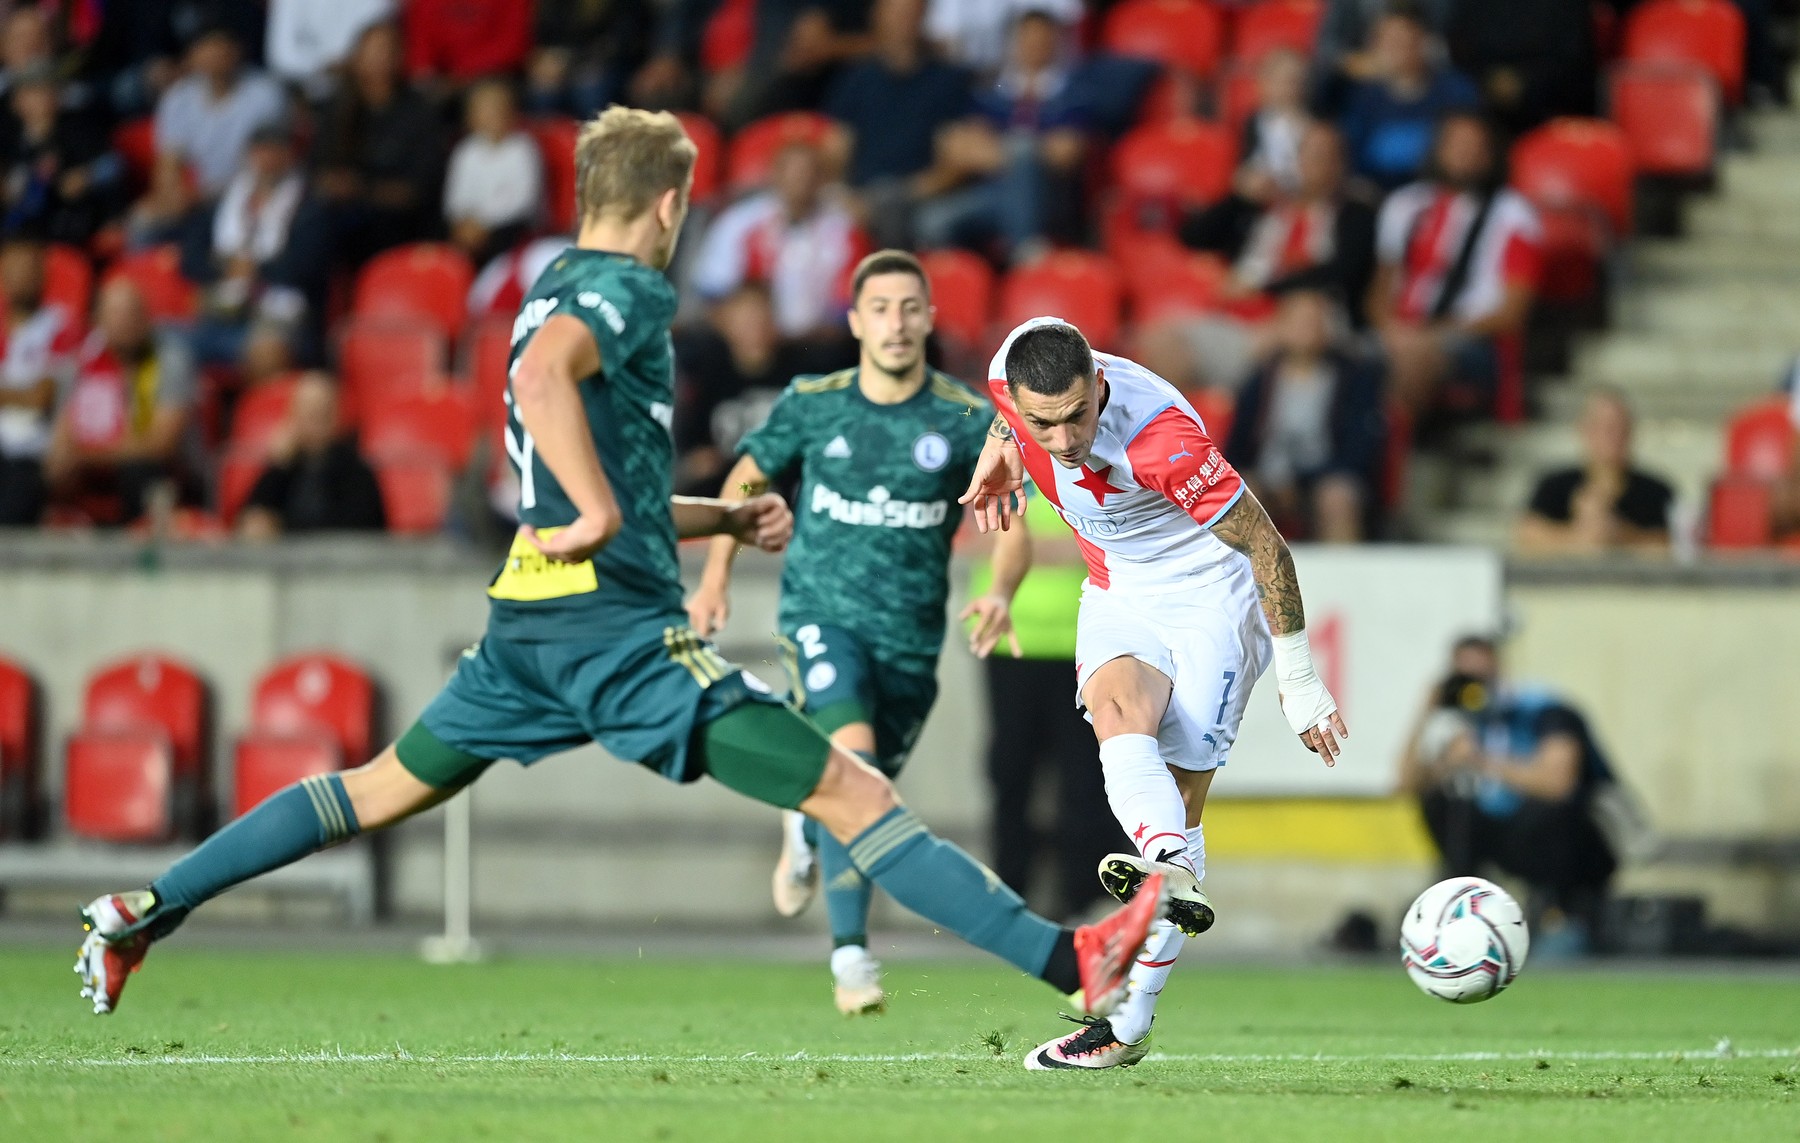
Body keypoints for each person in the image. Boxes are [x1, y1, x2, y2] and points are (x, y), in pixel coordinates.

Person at [75, 106, 1165, 1024]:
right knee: (848, 788)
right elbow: (554, 394)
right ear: (669, 206)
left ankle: (143, 910)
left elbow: (591, 460)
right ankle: (1071, 964)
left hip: (527, 631)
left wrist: (717, 523)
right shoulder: (629, 291)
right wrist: (601, 512)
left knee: (370, 790)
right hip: (616, 637)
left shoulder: (544, 284)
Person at [959, 317, 1346, 1069]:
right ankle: (1165, 865)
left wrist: (1299, 679)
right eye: (1044, 422)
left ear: (1099, 384)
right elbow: (1008, 421)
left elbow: (1268, 544)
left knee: (1180, 794)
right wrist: (1001, 448)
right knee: (1115, 714)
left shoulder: (1163, 440)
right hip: (1120, 586)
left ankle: (1128, 1021)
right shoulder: (1012, 371)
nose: (1065, 439)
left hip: (1211, 596)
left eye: (1077, 414)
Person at [685, 249, 994, 1015]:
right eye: (879, 308)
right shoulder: (813, 402)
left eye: (909, 307)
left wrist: (1006, 589)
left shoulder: (962, 416)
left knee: (860, 795)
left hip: (910, 643)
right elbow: (746, 481)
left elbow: (1006, 509)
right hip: (821, 617)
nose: (896, 322)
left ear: (928, 318)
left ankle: (800, 815)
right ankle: (852, 958)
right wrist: (717, 573)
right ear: (855, 321)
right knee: (854, 771)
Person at [1398, 634, 1618, 952]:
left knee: (1548, 811)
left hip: (1560, 843)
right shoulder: (1460, 723)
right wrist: (1426, 711)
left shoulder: (1542, 709)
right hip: (1500, 836)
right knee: (1440, 803)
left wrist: (1482, 759)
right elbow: (1406, 784)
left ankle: (1559, 915)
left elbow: (1559, 783)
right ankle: (1462, 905)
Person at [965, 487, 1121, 920]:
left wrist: (1017, 544)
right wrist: (1060, 546)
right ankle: (1008, 899)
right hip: (1009, 642)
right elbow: (969, 536)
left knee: (1086, 779)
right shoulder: (999, 462)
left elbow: (1111, 540)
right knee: (1010, 773)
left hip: (1084, 647)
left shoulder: (1082, 454)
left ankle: (1087, 900)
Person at [1369, 112, 1540, 416]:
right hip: (1401, 333)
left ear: (1489, 156)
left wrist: (1436, 333)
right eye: (1456, 144)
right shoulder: (1403, 205)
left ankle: (1387, 456)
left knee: (1414, 359)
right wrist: (1390, 329)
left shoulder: (1513, 214)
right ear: (1438, 149)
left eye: (1475, 146)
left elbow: (1513, 309)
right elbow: (1381, 290)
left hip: (1472, 340)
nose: (1464, 154)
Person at [912, 6, 1091, 261]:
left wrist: (1005, 151)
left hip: (1048, 200)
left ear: (1056, 44)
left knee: (1024, 148)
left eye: (1042, 41)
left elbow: (1065, 155)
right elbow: (962, 150)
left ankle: (1024, 252)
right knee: (932, 221)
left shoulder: (1073, 96)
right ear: (1014, 43)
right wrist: (1024, 157)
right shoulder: (990, 94)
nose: (1035, 47)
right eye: (1028, 40)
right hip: (992, 196)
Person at [1223, 289, 1387, 543]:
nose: (1307, 330)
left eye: (1315, 321)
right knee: (1240, 494)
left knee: (1338, 498)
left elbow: (1360, 447)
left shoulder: (1353, 379)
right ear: (1281, 327)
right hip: (1268, 478)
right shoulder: (1260, 380)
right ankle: (1243, 577)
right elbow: (1237, 443)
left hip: (1325, 477)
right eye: (1298, 322)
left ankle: (1344, 576)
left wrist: (1302, 481)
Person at [821, 0, 978, 250]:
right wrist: (844, 194)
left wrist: (901, 195)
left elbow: (953, 167)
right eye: (895, 13)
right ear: (878, 17)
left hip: (920, 196)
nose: (902, 22)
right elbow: (836, 150)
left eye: (909, 13)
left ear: (923, 18)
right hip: (860, 196)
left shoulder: (947, 81)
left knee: (894, 206)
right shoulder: (856, 80)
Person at [44, 278, 197, 525]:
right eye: (116, 314)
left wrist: (84, 455)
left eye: (133, 313)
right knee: (26, 476)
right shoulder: (79, 366)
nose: (126, 322)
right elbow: (62, 435)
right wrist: (60, 461)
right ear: (98, 320)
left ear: (147, 318)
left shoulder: (169, 362)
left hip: (163, 476)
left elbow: (160, 445)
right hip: (92, 475)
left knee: (138, 471)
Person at [179, 124, 331, 370]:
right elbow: (190, 258)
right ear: (249, 155)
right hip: (219, 313)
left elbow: (308, 267)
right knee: (169, 343)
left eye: (275, 151)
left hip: (279, 317)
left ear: (289, 156)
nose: (267, 159)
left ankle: (263, 407)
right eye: (261, 151)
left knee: (265, 351)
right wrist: (228, 269)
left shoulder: (309, 207)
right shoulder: (223, 200)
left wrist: (256, 270)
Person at [688, 139, 866, 342]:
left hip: (818, 343)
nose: (801, 180)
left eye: (809, 172)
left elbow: (853, 299)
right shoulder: (740, 222)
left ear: (822, 179)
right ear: (774, 173)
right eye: (792, 171)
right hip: (752, 344)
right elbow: (714, 289)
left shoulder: (842, 228)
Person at [313, 22, 448, 263]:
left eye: (386, 50)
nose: (379, 59)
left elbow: (419, 190)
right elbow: (318, 170)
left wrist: (362, 189)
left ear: (400, 58)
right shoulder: (338, 109)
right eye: (372, 50)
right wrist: (333, 184)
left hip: (400, 223)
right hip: (341, 216)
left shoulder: (419, 113)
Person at [670, 282, 815, 496]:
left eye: (760, 318)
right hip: (726, 487)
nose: (754, 328)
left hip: (784, 486)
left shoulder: (799, 375)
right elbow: (694, 449)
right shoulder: (710, 377)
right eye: (745, 320)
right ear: (726, 324)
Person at [1515, 387, 1673, 554]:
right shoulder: (1554, 486)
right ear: (1585, 430)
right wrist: (1581, 536)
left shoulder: (1656, 491)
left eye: (1620, 427)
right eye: (1605, 427)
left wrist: (1619, 533)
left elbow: (1672, 543)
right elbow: (1528, 532)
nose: (1613, 436)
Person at [1337, 4, 1478, 192]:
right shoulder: (1363, 99)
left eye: (1406, 40)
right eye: (1390, 41)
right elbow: (1349, 158)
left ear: (1425, 41)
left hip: (1445, 196)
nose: (1399, 49)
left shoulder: (1456, 92)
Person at [238, 372, 386, 538]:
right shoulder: (283, 466)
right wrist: (278, 467)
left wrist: (282, 527)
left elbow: (358, 529)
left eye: (321, 412)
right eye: (307, 412)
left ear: (336, 416)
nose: (314, 422)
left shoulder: (356, 471)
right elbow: (251, 517)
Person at [150, 24, 287, 203]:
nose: (216, 55)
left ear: (238, 51)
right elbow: (168, 165)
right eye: (207, 48)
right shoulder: (178, 98)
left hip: (257, 194)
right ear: (191, 56)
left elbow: (268, 162)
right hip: (200, 198)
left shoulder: (266, 93)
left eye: (222, 47)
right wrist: (173, 199)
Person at [0, 238, 77, 525]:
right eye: (12, 269)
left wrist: (21, 395)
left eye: (28, 269)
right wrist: (17, 393)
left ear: (43, 275)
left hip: (31, 449)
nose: (20, 278)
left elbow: (41, 398)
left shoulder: (60, 326)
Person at [0, 66, 122, 246]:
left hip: (75, 222)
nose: (42, 97)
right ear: (16, 102)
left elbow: (115, 164)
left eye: (47, 89)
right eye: (33, 92)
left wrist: (88, 176)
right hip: (22, 230)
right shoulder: (9, 139)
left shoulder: (78, 127)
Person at [443, 79, 542, 268]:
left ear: (512, 112)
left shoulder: (523, 149)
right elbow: (456, 197)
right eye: (484, 109)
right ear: (471, 117)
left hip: (510, 228)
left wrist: (484, 224)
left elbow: (522, 201)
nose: (492, 115)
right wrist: (465, 222)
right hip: (470, 229)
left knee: (504, 237)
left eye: (497, 108)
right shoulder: (465, 151)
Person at [265, 0, 398, 102]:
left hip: (362, 94)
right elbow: (280, 57)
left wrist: (348, 65)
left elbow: (379, 46)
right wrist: (326, 66)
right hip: (304, 95)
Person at [403, 0, 533, 91]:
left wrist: (462, 76)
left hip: (495, 78)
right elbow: (420, 49)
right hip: (442, 83)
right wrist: (427, 74)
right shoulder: (426, 3)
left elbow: (512, 46)